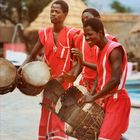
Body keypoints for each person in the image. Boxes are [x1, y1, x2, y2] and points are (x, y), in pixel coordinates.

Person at [18, 0, 80, 139]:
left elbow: (79, 62)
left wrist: (67, 76)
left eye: (57, 11)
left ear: (65, 14)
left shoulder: (72, 34)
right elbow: (32, 56)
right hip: (47, 86)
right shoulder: (44, 33)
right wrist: (20, 69)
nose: (53, 14)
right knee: (45, 120)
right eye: (52, 11)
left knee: (58, 121)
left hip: (64, 87)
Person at [78, 18, 131, 140]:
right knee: (99, 135)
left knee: (104, 137)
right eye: (85, 35)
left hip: (117, 100)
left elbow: (115, 80)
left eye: (90, 34)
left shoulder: (114, 49)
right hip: (106, 100)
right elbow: (99, 73)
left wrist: (94, 97)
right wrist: (91, 95)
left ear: (100, 33)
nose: (86, 38)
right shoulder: (100, 50)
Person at [71, 8, 117, 93]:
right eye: (82, 20)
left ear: (98, 19)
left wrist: (83, 62)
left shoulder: (110, 41)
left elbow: (105, 68)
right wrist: (73, 77)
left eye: (87, 18)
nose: (85, 21)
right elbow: (80, 64)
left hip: (102, 86)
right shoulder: (81, 38)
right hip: (84, 85)